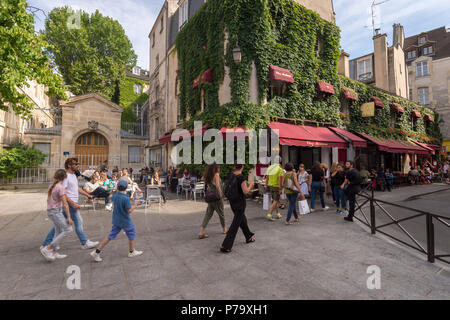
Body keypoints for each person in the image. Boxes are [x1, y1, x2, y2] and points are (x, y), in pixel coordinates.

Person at [41, 158, 99, 250]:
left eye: (78, 164)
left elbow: (77, 188)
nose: (78, 165)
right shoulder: (66, 177)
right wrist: (72, 203)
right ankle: (84, 242)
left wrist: (88, 195)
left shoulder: (73, 176)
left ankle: (47, 243)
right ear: (69, 165)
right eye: (76, 164)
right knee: (78, 222)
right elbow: (63, 193)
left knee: (59, 225)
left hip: (72, 203)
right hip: (70, 204)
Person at [90, 180, 143, 262]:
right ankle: (132, 251)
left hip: (116, 220)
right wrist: (136, 204)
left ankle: (96, 251)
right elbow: (129, 210)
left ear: (117, 187)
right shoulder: (126, 198)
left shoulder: (115, 196)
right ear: (126, 188)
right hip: (125, 221)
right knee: (131, 234)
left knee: (110, 236)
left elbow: (110, 196)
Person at [220, 164, 255, 253]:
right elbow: (245, 191)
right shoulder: (241, 177)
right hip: (240, 203)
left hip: (233, 201)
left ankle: (248, 236)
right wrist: (251, 185)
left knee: (242, 219)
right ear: (242, 166)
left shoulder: (231, 175)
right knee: (235, 224)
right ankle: (226, 245)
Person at [40, 169, 73, 261]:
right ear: (65, 177)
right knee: (68, 229)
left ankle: (53, 252)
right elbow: (65, 204)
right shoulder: (60, 187)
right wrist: (69, 217)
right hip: (55, 212)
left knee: (58, 231)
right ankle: (48, 248)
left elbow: (49, 199)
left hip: (52, 211)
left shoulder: (52, 185)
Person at [198, 164, 227, 239]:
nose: (219, 168)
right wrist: (220, 195)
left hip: (210, 198)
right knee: (221, 214)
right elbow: (217, 186)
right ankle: (224, 229)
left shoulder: (208, 175)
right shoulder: (216, 175)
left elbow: (202, 179)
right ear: (216, 168)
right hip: (216, 198)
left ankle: (201, 232)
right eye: (218, 167)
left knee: (208, 215)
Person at [265, 156, 284, 221]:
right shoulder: (279, 169)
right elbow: (279, 179)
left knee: (274, 200)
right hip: (276, 186)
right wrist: (280, 188)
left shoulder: (269, 167)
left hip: (270, 185)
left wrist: (266, 185)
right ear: (279, 161)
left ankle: (278, 214)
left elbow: (267, 177)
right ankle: (269, 214)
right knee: (276, 200)